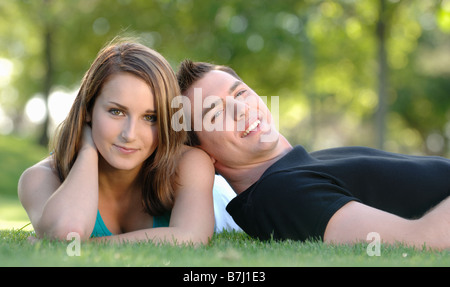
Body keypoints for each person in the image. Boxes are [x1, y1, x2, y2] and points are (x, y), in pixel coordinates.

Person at [176, 60, 450, 250]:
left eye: (241, 93)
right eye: (215, 113)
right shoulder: (280, 193)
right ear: (202, 153)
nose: (241, 109)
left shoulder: (307, 164)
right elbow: (425, 240)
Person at [18, 40, 239, 246]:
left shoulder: (188, 162)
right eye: (116, 112)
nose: (130, 134)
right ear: (88, 110)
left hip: (220, 198)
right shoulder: (40, 178)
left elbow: (192, 237)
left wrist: (90, 246)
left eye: (150, 117)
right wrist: (87, 150)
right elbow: (66, 233)